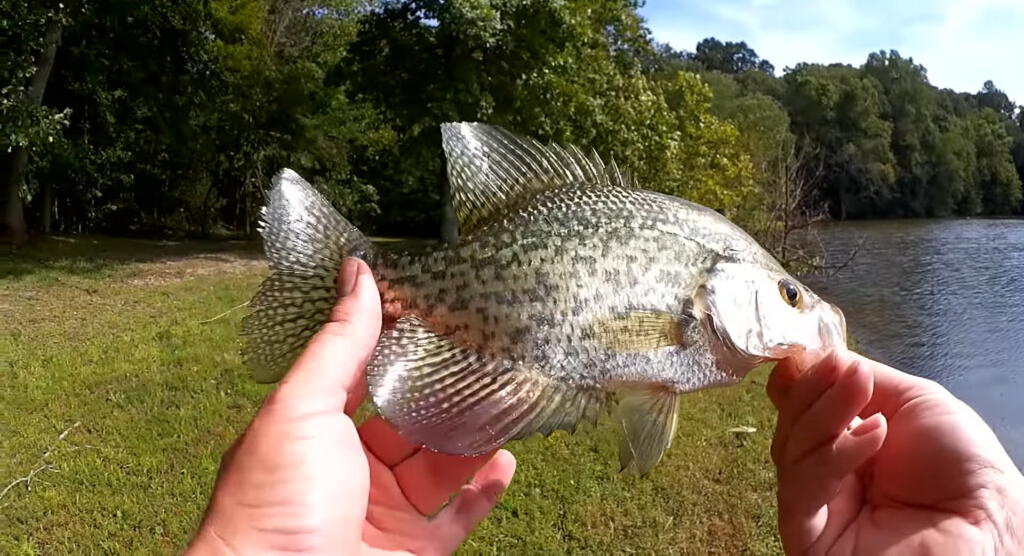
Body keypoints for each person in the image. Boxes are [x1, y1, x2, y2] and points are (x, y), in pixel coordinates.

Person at [185, 258, 1024, 555]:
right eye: (788, 292)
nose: (804, 310)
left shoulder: (699, 343)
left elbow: (645, 380)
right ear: (718, 291)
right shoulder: (687, 320)